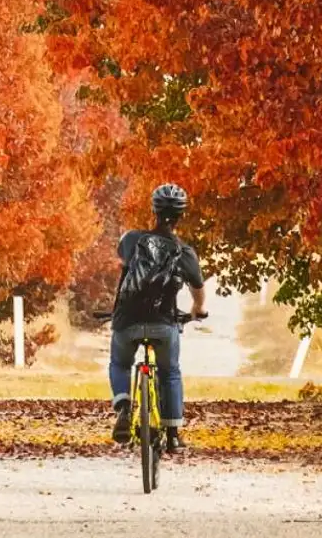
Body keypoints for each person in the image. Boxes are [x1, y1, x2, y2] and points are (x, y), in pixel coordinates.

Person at [108, 183, 206, 453]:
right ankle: (173, 435)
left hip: (127, 320)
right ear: (181, 215)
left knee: (120, 363)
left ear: (153, 210)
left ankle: (124, 407)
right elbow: (198, 291)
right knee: (170, 372)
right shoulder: (185, 252)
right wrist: (197, 310)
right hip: (164, 323)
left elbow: (124, 261)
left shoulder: (131, 240)